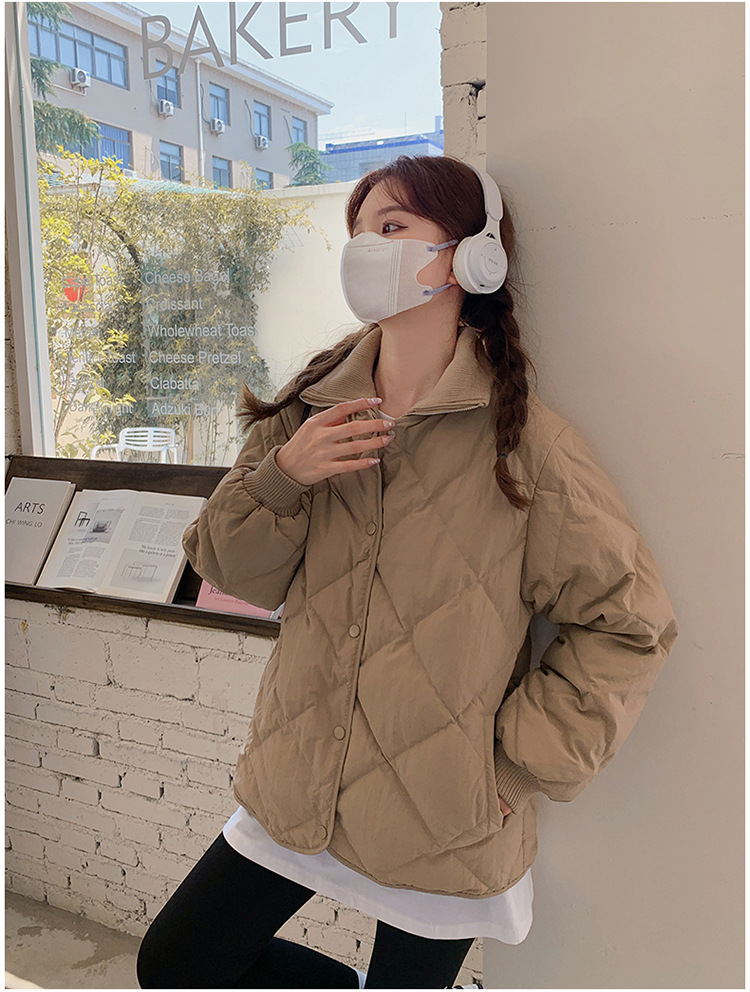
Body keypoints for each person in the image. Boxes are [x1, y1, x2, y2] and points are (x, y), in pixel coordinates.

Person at [136, 154, 679, 990]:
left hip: (443, 814)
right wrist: (284, 475)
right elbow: (233, 571)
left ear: (473, 258)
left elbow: (629, 624)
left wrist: (514, 769)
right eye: (358, 231)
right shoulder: (307, 410)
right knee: (180, 961)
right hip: (299, 779)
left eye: (392, 228)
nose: (366, 248)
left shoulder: (526, 445)